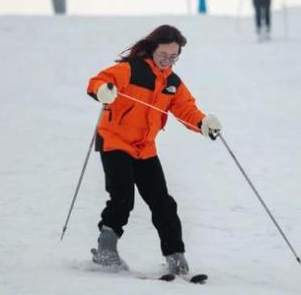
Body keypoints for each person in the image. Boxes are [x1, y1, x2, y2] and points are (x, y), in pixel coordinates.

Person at [86, 24, 222, 275]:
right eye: (163, 56)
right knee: (122, 198)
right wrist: (103, 92)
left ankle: (175, 258)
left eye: (173, 57)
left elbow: (186, 109)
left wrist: (203, 124)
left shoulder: (171, 83)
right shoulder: (130, 70)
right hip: (115, 141)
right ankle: (106, 250)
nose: (168, 61)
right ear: (152, 49)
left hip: (144, 148)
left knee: (163, 204)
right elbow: (99, 81)